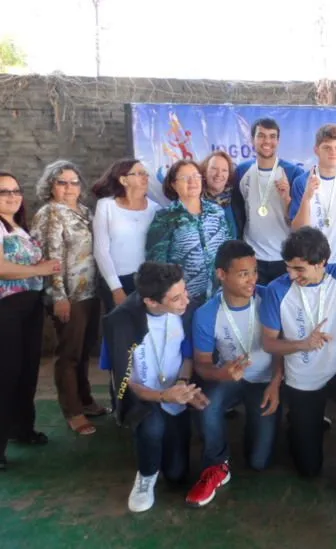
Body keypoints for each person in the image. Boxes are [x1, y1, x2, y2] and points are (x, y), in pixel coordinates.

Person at [260, 227, 336, 502]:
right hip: (301, 379)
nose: (292, 275)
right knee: (308, 469)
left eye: (299, 269)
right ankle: (300, 421)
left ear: (321, 263)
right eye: (289, 268)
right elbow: (269, 343)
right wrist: (303, 344)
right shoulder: (277, 290)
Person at [101, 262, 209, 513]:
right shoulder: (119, 323)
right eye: (176, 298)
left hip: (175, 394)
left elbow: (188, 356)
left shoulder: (188, 311)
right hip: (143, 397)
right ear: (151, 302)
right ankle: (146, 475)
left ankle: (161, 461)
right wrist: (161, 395)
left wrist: (183, 386)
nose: (186, 300)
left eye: (184, 291)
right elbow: (124, 381)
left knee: (176, 475)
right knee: (152, 426)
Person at [188, 241, 283, 507]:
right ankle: (216, 464)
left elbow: (281, 349)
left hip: (266, 381)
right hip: (230, 379)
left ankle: (266, 426)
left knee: (259, 461)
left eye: (254, 271)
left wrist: (276, 383)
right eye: (243, 273)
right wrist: (223, 374)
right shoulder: (207, 314)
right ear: (221, 274)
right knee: (207, 405)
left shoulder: (269, 299)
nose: (252, 279)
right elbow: (201, 364)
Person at [31, 160, 107, 436]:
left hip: (89, 293)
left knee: (84, 351)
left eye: (74, 182)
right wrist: (58, 297)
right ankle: (72, 410)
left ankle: (85, 399)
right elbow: (50, 258)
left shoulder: (85, 211)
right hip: (68, 296)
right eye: (62, 182)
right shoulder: (50, 213)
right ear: (50, 186)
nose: (69, 187)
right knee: (69, 354)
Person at [0, 171, 61, 470]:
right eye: (3, 192)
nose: (12, 196)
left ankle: (21, 428)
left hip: (30, 306)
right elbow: (2, 269)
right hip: (7, 308)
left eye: (15, 190)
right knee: (6, 374)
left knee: (27, 371)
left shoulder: (18, 227)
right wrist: (42, 269)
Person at [145, 159, 232, 308]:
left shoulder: (216, 211)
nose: (192, 181)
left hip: (219, 296)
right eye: (185, 178)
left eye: (196, 176)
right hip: (184, 301)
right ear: (173, 184)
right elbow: (156, 264)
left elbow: (228, 249)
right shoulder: (165, 217)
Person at [232, 118, 305, 283]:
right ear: (253, 140)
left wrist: (287, 198)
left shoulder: (293, 173)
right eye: (261, 136)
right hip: (252, 257)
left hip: (285, 257)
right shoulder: (242, 171)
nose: (267, 141)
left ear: (278, 141)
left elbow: (298, 222)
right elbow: (237, 215)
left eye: (272, 136)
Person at [92, 158, 160, 311]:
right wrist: (116, 288)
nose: (145, 177)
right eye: (139, 173)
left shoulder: (156, 209)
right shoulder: (106, 206)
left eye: (146, 174)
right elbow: (101, 251)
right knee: (120, 330)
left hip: (146, 281)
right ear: (123, 180)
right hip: (116, 280)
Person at [290, 124, 336, 265]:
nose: (333, 152)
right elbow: (298, 229)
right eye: (327, 148)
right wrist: (307, 197)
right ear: (316, 150)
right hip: (313, 262)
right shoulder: (302, 181)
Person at [201, 151, 239, 239]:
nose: (219, 174)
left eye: (224, 170)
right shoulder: (195, 200)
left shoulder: (237, 200)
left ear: (229, 174)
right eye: (214, 168)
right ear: (205, 171)